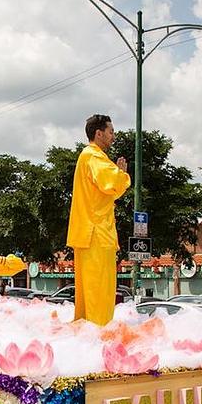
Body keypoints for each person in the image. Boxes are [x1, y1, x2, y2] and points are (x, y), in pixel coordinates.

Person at [67, 114, 131, 326]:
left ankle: (88, 337)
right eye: (111, 132)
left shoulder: (88, 157)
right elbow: (112, 183)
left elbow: (108, 192)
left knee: (89, 295)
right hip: (97, 233)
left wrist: (118, 179)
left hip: (88, 233)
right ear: (99, 133)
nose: (113, 136)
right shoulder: (94, 156)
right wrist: (121, 174)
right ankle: (99, 337)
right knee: (100, 294)